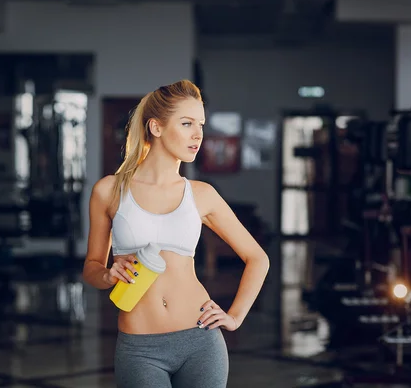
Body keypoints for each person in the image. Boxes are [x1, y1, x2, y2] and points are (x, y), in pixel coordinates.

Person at [82, 79, 270, 388]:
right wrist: (107, 275)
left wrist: (234, 316)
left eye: (201, 125)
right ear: (156, 128)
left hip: (201, 340)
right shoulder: (109, 191)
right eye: (187, 123)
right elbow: (91, 267)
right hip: (140, 348)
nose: (198, 134)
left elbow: (257, 258)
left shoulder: (202, 194)